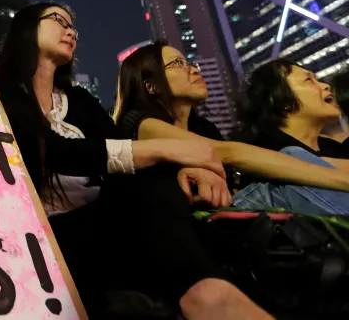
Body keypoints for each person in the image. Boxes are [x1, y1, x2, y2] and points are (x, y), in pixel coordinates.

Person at [0, 2, 272, 320]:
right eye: (58, 21)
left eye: (73, 26)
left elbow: (122, 149)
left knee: (152, 176)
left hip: (106, 220)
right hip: (44, 235)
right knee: (150, 167)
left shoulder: (79, 100)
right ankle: (205, 293)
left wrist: (191, 167)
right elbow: (56, 152)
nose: (70, 31)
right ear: (27, 29)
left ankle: (208, 290)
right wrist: (168, 150)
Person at [115, 43, 349, 215]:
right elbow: (226, 153)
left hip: (223, 212)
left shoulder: (203, 127)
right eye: (178, 64)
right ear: (151, 85)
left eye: (190, 62)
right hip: (180, 229)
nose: (194, 69)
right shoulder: (140, 123)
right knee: (290, 159)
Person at [230, 59, 349, 214]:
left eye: (317, 79)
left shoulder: (333, 148)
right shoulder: (263, 155)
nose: (325, 85)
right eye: (309, 80)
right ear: (283, 101)